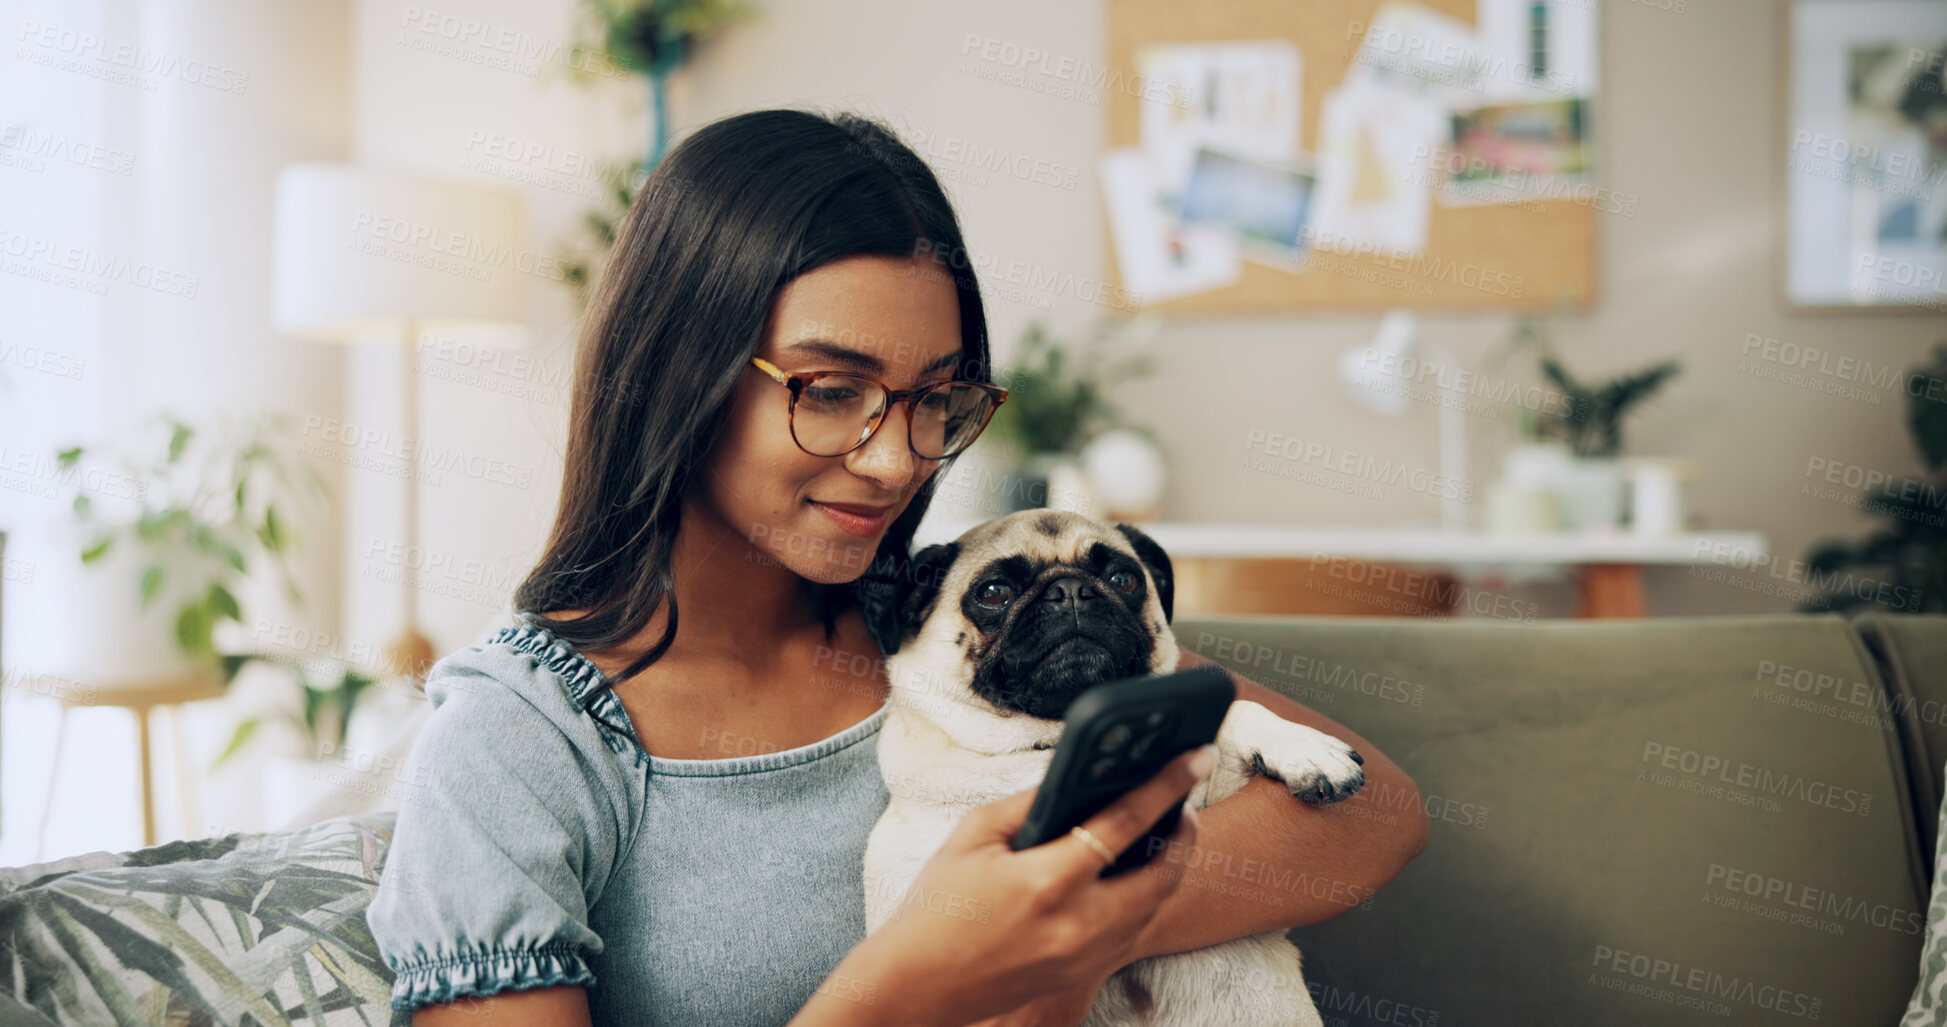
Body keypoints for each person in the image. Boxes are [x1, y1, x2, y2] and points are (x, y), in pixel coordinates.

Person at [364, 106, 1429, 1027]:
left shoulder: (942, 628)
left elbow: (1372, 812)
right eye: (831, 388)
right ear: (677, 371)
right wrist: (916, 975)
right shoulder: (515, 744)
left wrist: (1077, 913)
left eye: (937, 398)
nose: (896, 459)